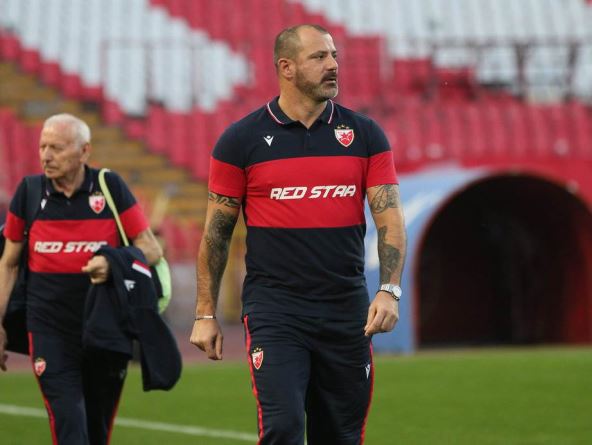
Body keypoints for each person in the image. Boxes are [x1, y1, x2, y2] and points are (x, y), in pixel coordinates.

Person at [190, 24, 406, 445]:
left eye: (334, 55)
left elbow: (390, 220)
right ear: (286, 67)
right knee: (284, 427)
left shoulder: (365, 135)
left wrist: (389, 290)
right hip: (276, 310)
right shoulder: (240, 140)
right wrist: (205, 313)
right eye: (319, 57)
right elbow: (216, 233)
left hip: (346, 309)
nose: (333, 65)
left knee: (341, 435)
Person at [0, 113, 163, 444]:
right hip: (49, 330)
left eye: (57, 148)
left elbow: (151, 249)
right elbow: (9, 264)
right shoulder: (29, 192)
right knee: (69, 423)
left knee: (97, 431)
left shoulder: (109, 187)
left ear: (84, 151)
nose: (46, 156)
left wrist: (113, 263)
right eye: (43, 146)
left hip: (105, 330)